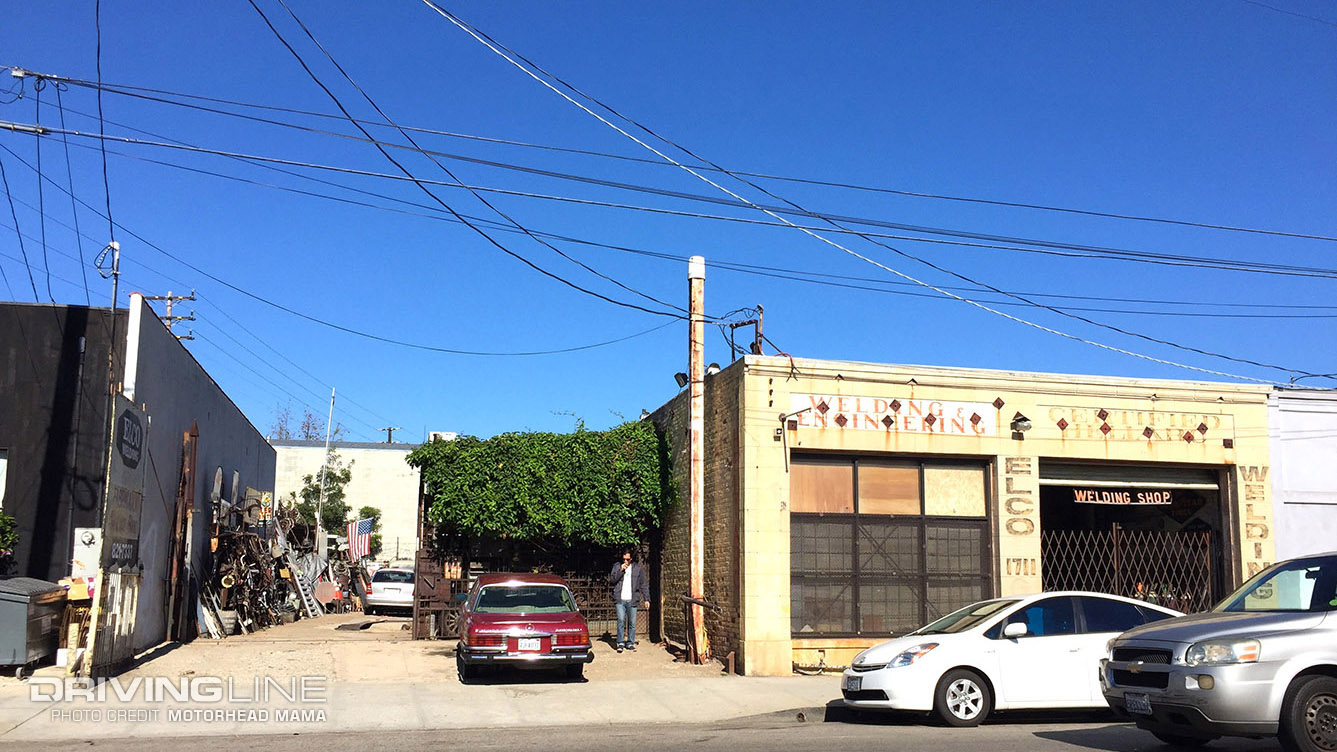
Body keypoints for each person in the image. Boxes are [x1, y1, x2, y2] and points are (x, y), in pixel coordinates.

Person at [609, 549, 649, 653]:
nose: (625, 561)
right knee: (621, 620)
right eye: (624, 559)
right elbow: (613, 580)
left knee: (632, 623)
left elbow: (643, 584)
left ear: (631, 558)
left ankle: (630, 642)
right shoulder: (617, 566)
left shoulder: (637, 569)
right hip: (620, 598)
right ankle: (620, 642)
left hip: (632, 599)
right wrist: (620, 570)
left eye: (627, 559)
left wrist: (646, 599)